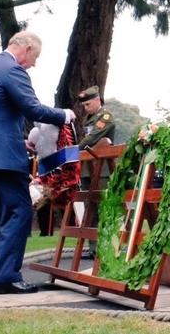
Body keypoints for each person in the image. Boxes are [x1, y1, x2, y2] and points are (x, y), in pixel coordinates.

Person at [0, 31, 76, 295]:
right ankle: (7, 275)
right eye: (35, 57)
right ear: (25, 48)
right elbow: (32, 109)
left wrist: (18, 141)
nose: (34, 64)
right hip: (0, 158)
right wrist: (64, 115)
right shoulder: (13, 70)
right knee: (20, 209)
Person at [77, 85, 116, 260]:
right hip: (88, 168)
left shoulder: (105, 117)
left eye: (88, 104)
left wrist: (74, 150)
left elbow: (92, 139)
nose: (86, 108)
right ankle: (93, 246)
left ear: (97, 100)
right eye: (84, 105)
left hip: (102, 168)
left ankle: (106, 245)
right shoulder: (89, 119)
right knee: (90, 208)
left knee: (103, 207)